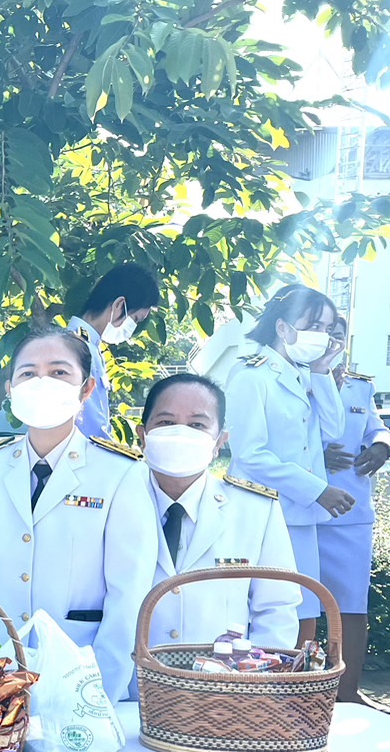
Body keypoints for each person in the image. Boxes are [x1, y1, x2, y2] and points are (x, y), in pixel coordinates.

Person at [0, 326, 157, 704]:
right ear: (10, 389)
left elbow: (128, 595)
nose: (42, 382)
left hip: (79, 670)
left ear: (86, 388)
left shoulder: (119, 473)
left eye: (59, 372)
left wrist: (98, 693)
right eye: (28, 373)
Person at [137, 374, 299, 650]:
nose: (181, 433)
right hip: (126, 684)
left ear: (219, 441)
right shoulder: (113, 500)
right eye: (166, 422)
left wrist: (252, 682)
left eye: (197, 425)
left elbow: (276, 609)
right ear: (142, 435)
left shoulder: (256, 510)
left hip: (223, 683)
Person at [224, 285, 348, 641]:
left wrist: (323, 372)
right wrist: (318, 490)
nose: (322, 336)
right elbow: (250, 454)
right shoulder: (252, 376)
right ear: (283, 328)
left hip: (299, 515)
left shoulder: (306, 374)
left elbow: (334, 428)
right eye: (314, 326)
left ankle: (294, 690)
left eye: (327, 328)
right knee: (262, 610)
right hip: (262, 510)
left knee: (304, 607)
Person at [319, 339, 389, 703]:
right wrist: (315, 453)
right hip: (298, 511)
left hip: (350, 512)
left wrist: (381, 445)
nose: (329, 340)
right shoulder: (287, 379)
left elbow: (374, 425)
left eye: (337, 333)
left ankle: (348, 693)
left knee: (350, 606)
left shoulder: (360, 385)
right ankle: (297, 690)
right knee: (290, 606)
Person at [65, 263, 161, 438]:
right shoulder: (81, 350)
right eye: (136, 319)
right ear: (119, 306)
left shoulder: (84, 345)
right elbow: (91, 430)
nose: (133, 328)